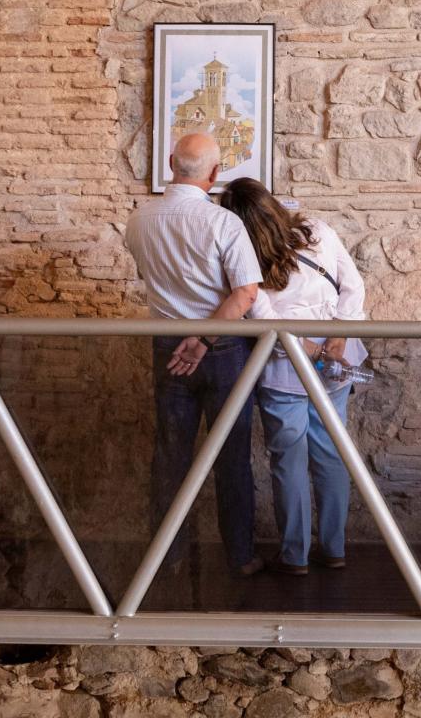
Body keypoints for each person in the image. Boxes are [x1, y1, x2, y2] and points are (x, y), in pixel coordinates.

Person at [125, 133, 265, 577]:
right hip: (221, 348)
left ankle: (168, 557)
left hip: (168, 346)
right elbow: (245, 294)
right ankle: (240, 557)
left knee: (169, 453)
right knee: (231, 453)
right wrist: (203, 340)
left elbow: (148, 275)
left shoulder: (140, 219)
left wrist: (186, 336)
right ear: (215, 174)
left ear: (170, 163)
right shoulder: (224, 224)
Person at [217, 178, 367, 576]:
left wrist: (316, 348)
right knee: (332, 454)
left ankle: (295, 556)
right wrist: (337, 340)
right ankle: (334, 548)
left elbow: (266, 322)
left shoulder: (244, 260)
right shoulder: (318, 231)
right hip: (335, 360)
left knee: (288, 462)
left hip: (283, 367)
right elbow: (353, 286)